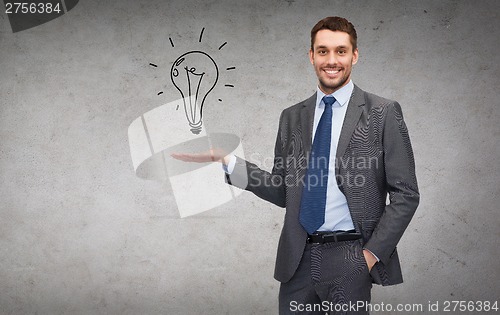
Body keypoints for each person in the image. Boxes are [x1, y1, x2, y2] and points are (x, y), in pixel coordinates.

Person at [172, 16, 419, 315]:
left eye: (341, 51)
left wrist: (369, 255)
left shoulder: (382, 112)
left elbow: (406, 194)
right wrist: (228, 161)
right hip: (297, 260)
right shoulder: (291, 117)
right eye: (323, 51)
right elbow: (282, 191)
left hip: (350, 256)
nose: (332, 60)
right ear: (311, 55)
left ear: (355, 55)